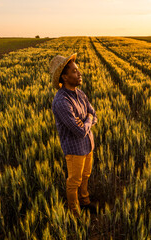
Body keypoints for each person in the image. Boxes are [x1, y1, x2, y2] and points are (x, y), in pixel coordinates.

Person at [50, 53, 98, 217]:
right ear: (64, 76)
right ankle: (75, 212)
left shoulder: (80, 93)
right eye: (75, 71)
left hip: (88, 145)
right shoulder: (62, 101)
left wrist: (88, 120)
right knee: (74, 182)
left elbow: (94, 114)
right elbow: (79, 131)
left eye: (78, 71)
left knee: (85, 176)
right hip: (75, 149)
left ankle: (85, 202)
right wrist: (89, 120)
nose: (79, 74)